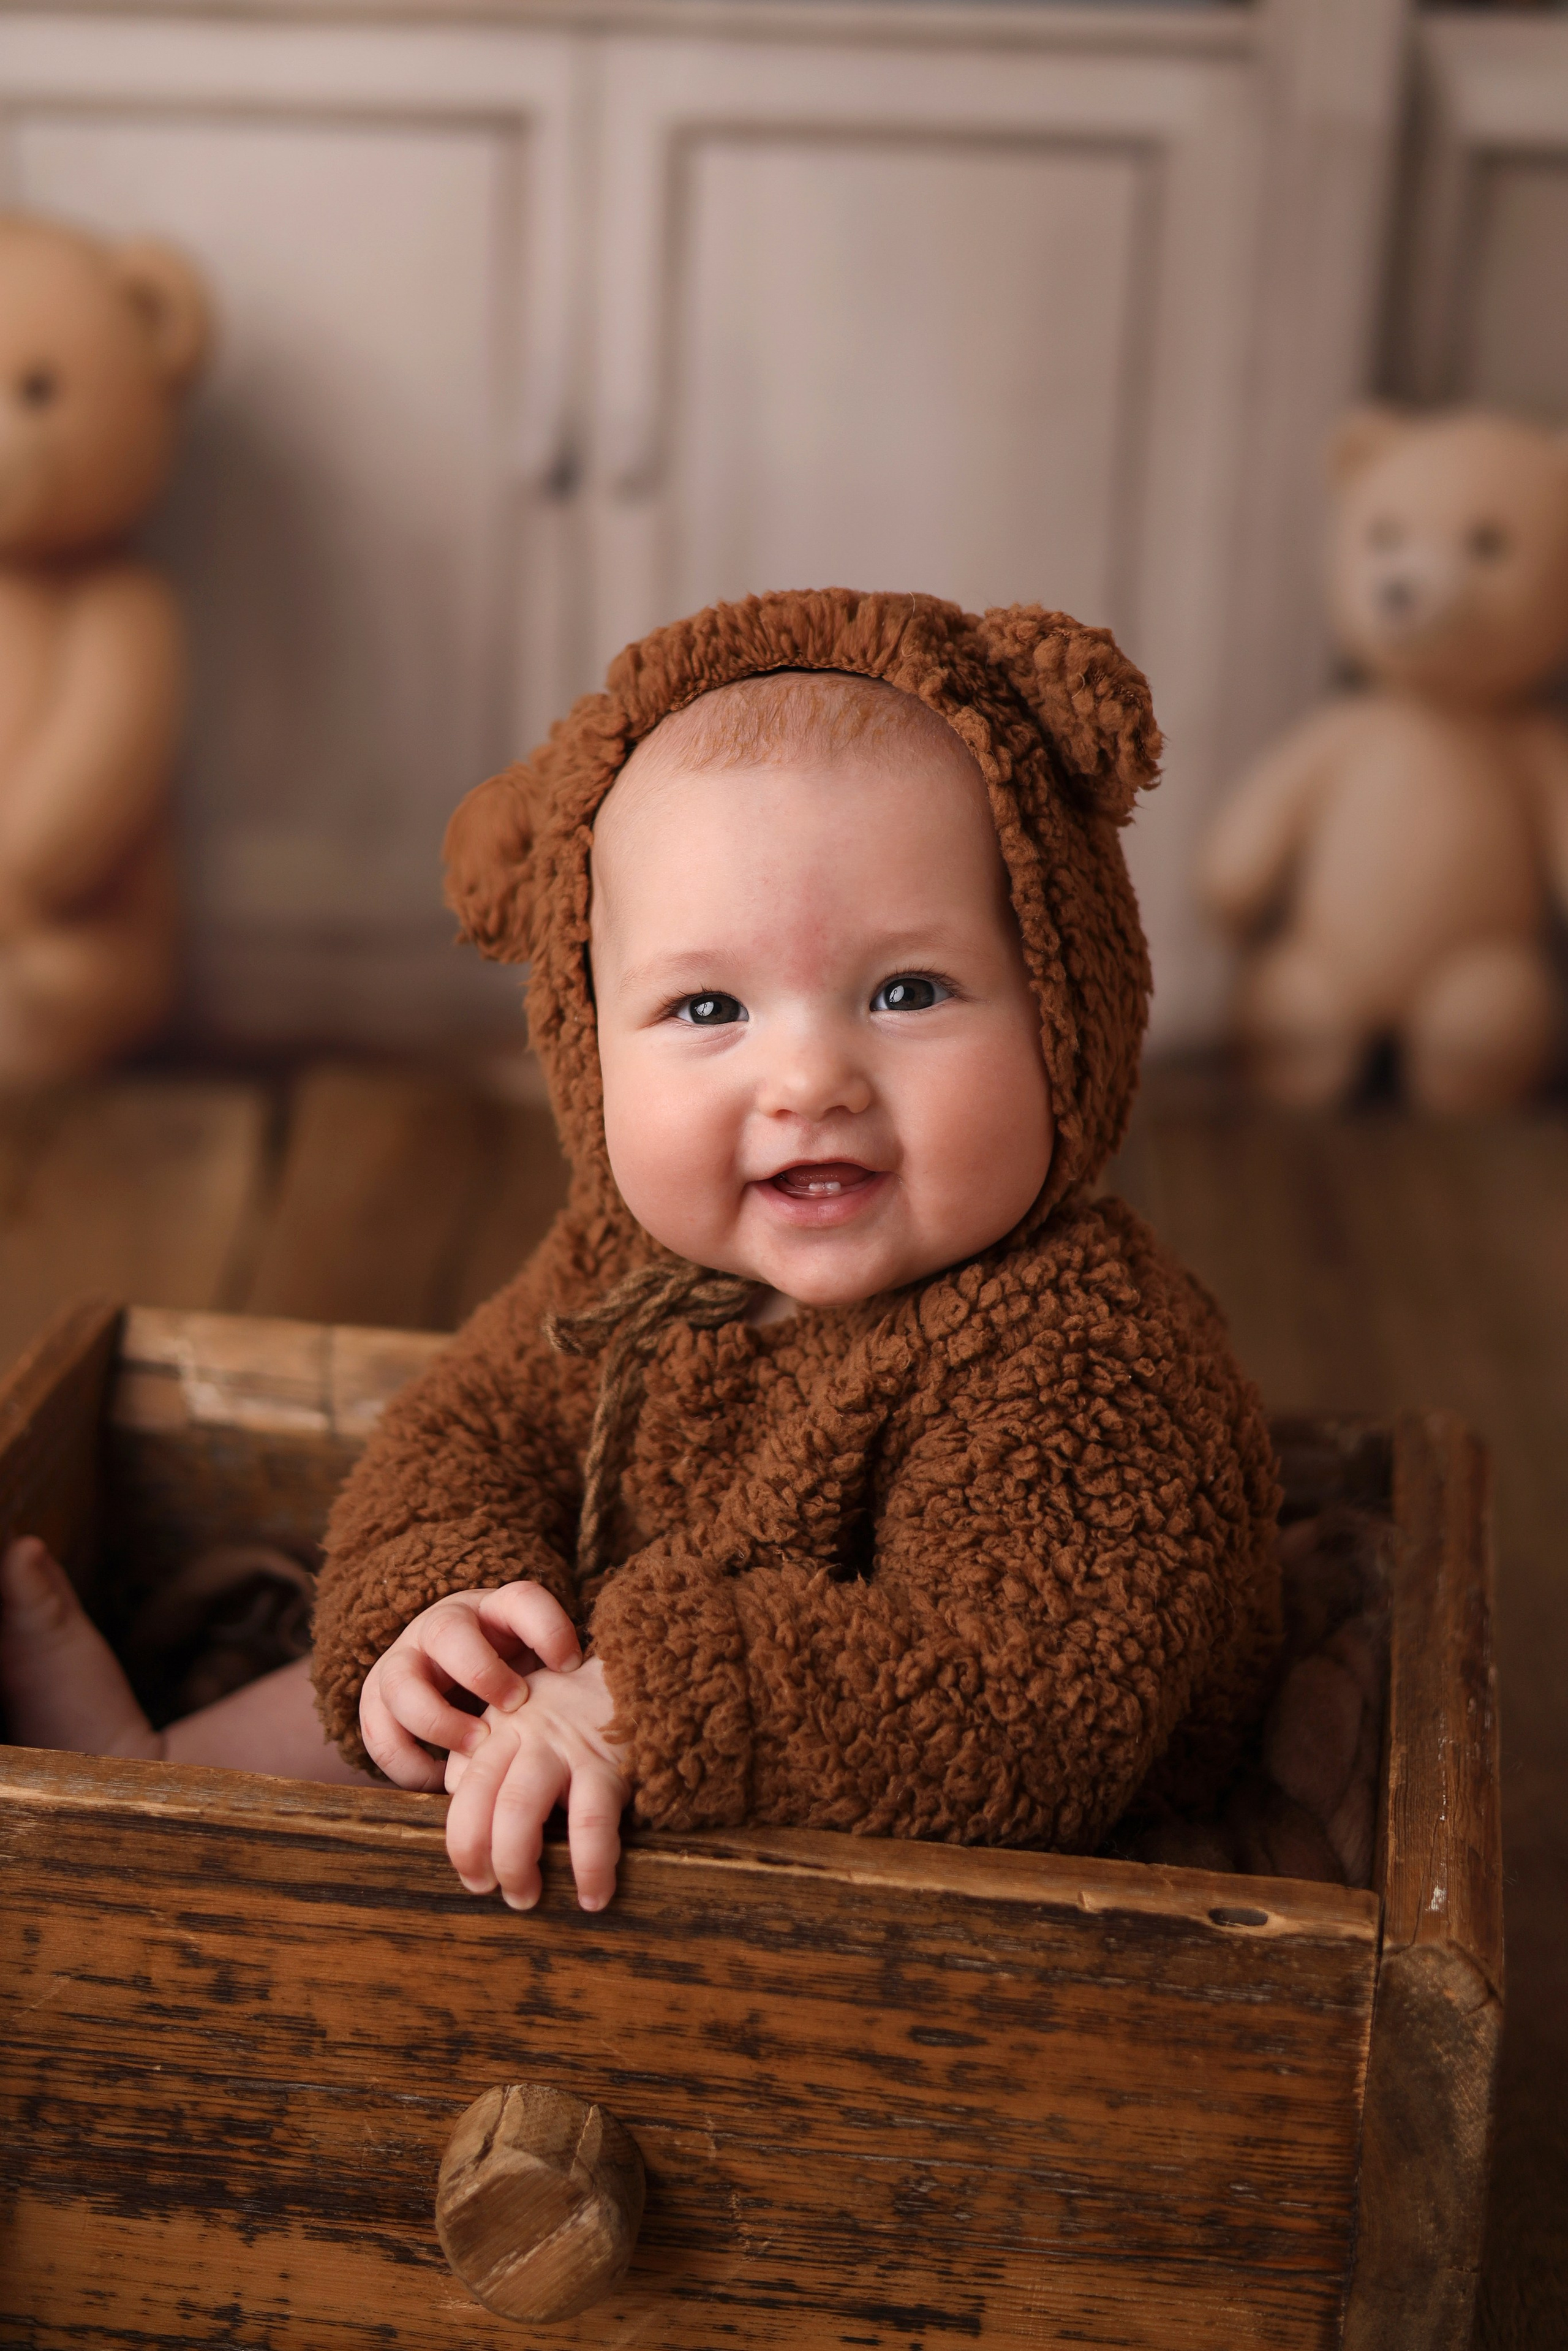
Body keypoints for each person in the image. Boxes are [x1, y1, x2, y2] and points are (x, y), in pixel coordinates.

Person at [0, 591, 1280, 1918]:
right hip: (635, 1680)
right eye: (707, 1006)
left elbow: (1027, 1700)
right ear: (586, 1037)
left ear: (1066, 996)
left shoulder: (1079, 1348)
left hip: (966, 1862)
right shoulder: (626, 1262)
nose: (807, 1077)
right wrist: (442, 1609)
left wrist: (653, 1697)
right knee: (433, 1704)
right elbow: (470, 1426)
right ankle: (145, 1774)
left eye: (905, 991)